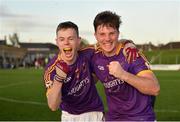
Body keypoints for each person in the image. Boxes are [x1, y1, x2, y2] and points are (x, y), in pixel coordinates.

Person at [91, 10, 160, 121]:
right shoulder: (94, 56)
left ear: (118, 33)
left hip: (140, 118)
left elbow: (154, 88)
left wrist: (123, 74)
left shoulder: (131, 53)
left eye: (112, 33)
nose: (107, 38)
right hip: (114, 118)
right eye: (102, 34)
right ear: (95, 36)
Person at [43, 21, 104, 121]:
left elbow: (110, 42)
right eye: (62, 39)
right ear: (57, 42)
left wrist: (128, 43)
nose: (66, 42)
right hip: (70, 116)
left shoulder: (88, 53)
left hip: (94, 112)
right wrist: (59, 79)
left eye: (71, 38)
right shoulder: (51, 70)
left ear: (78, 40)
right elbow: (53, 106)